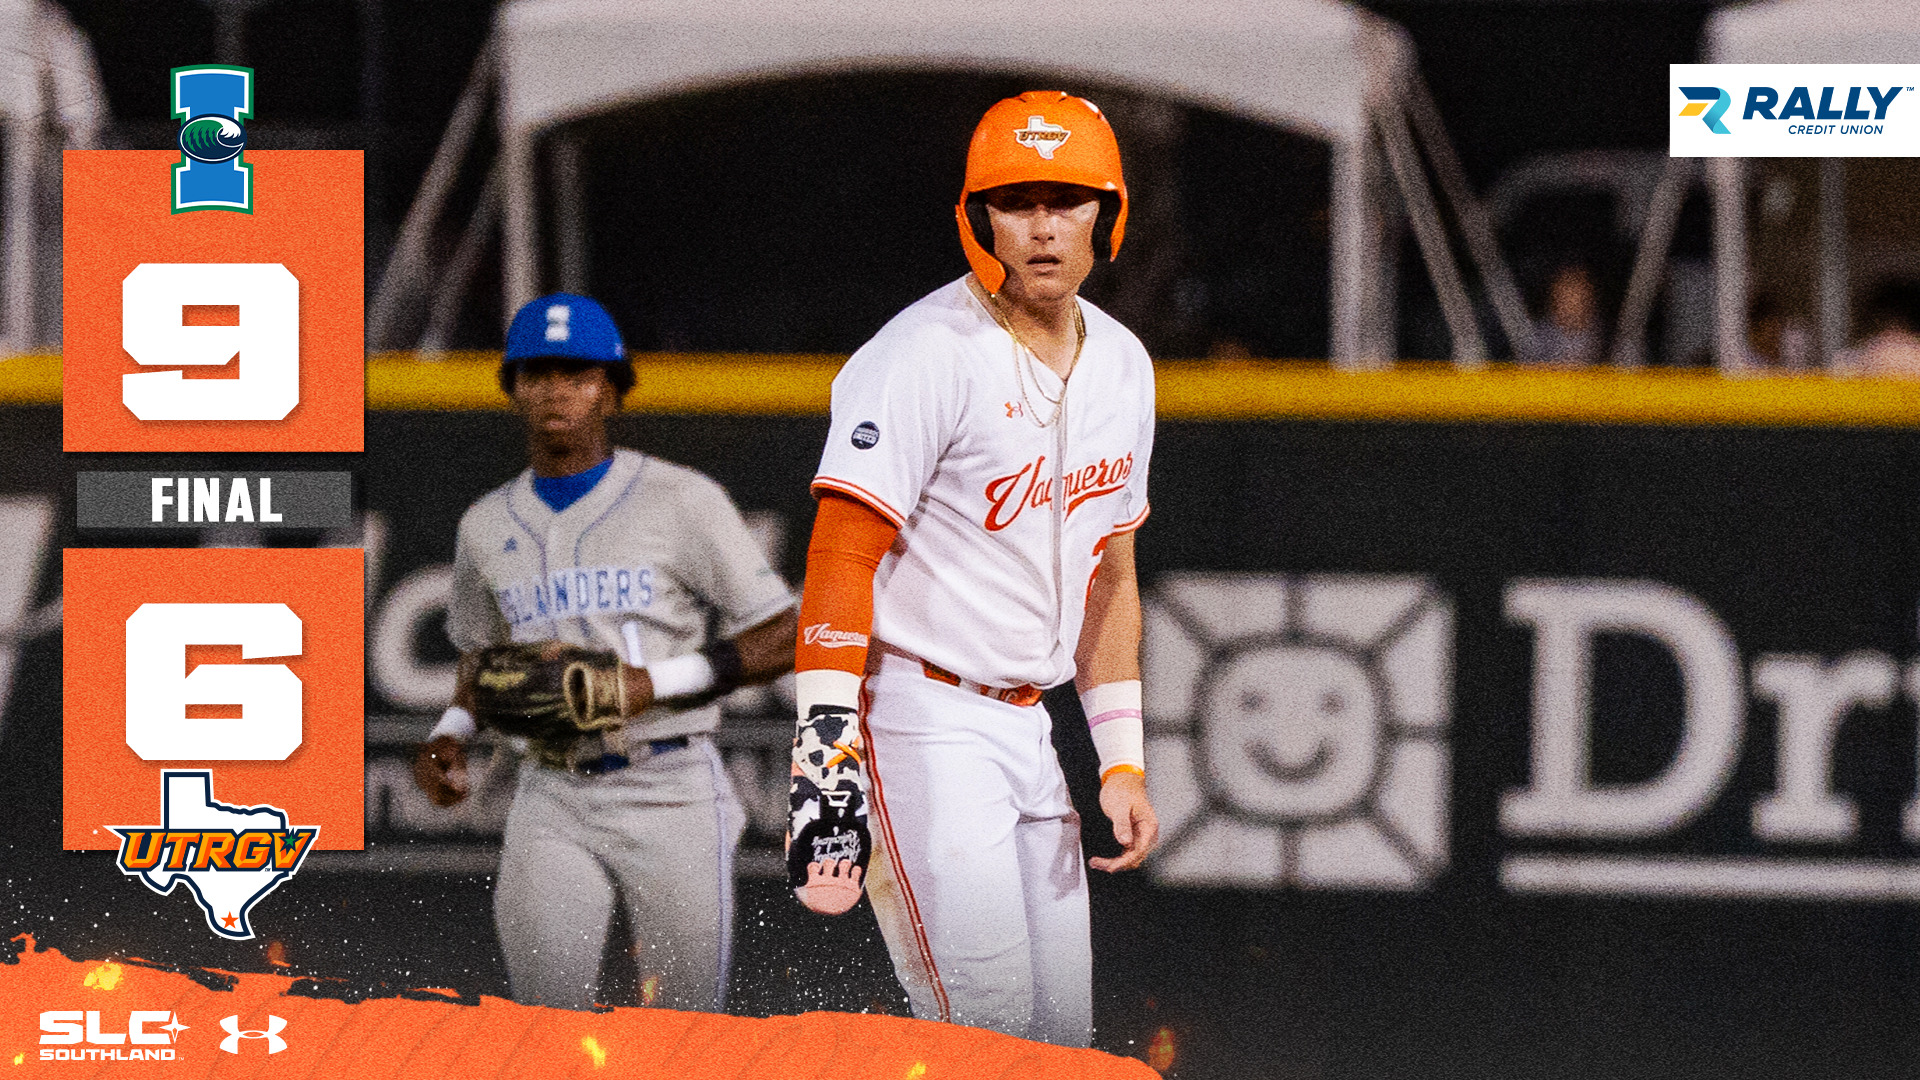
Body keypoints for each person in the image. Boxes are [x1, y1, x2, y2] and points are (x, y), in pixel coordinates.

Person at [783, 91, 1160, 1048]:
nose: (1040, 226)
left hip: (1036, 729)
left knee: (1063, 1045)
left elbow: (1112, 572)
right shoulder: (919, 354)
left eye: (1066, 200)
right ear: (977, 214)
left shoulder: (1124, 364)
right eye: (1016, 200)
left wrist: (1120, 758)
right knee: (982, 1040)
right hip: (920, 722)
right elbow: (838, 558)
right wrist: (827, 765)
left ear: (1106, 216)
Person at [412, 293, 798, 1012]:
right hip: (552, 792)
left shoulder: (682, 500)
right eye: (538, 372)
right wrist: (451, 733)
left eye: (579, 373)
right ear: (514, 388)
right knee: (543, 1021)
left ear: (611, 391)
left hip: (671, 785)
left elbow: (788, 631)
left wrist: (654, 683)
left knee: (685, 1029)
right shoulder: (485, 523)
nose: (557, 389)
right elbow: (481, 658)